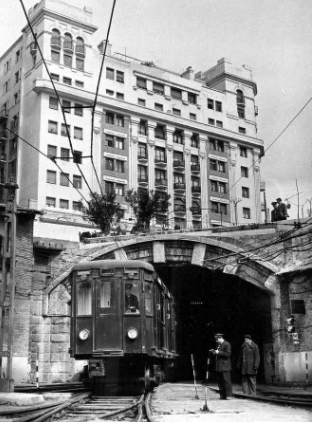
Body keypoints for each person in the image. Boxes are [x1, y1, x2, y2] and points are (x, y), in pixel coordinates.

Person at [210, 333, 233, 400]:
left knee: (226, 381)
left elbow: (228, 354)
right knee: (220, 382)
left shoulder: (227, 344)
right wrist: (214, 352)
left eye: (217, 339)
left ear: (220, 338)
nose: (216, 341)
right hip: (219, 366)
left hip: (225, 366)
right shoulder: (219, 345)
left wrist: (218, 352)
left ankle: (228, 395)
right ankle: (222, 395)